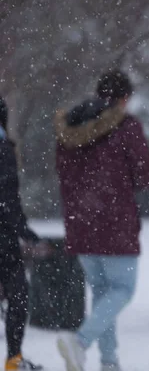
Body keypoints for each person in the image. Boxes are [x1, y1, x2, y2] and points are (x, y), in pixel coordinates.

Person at [54, 70, 149, 371]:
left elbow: (62, 173)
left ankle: (109, 362)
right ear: (124, 98)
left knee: (102, 293)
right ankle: (81, 342)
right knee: (123, 289)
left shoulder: (69, 128)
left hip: (80, 223)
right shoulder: (126, 127)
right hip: (116, 224)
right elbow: (146, 174)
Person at [0, 97, 43, 371]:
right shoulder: (3, 148)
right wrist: (23, 230)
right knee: (18, 296)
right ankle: (14, 359)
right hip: (3, 237)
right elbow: (8, 197)